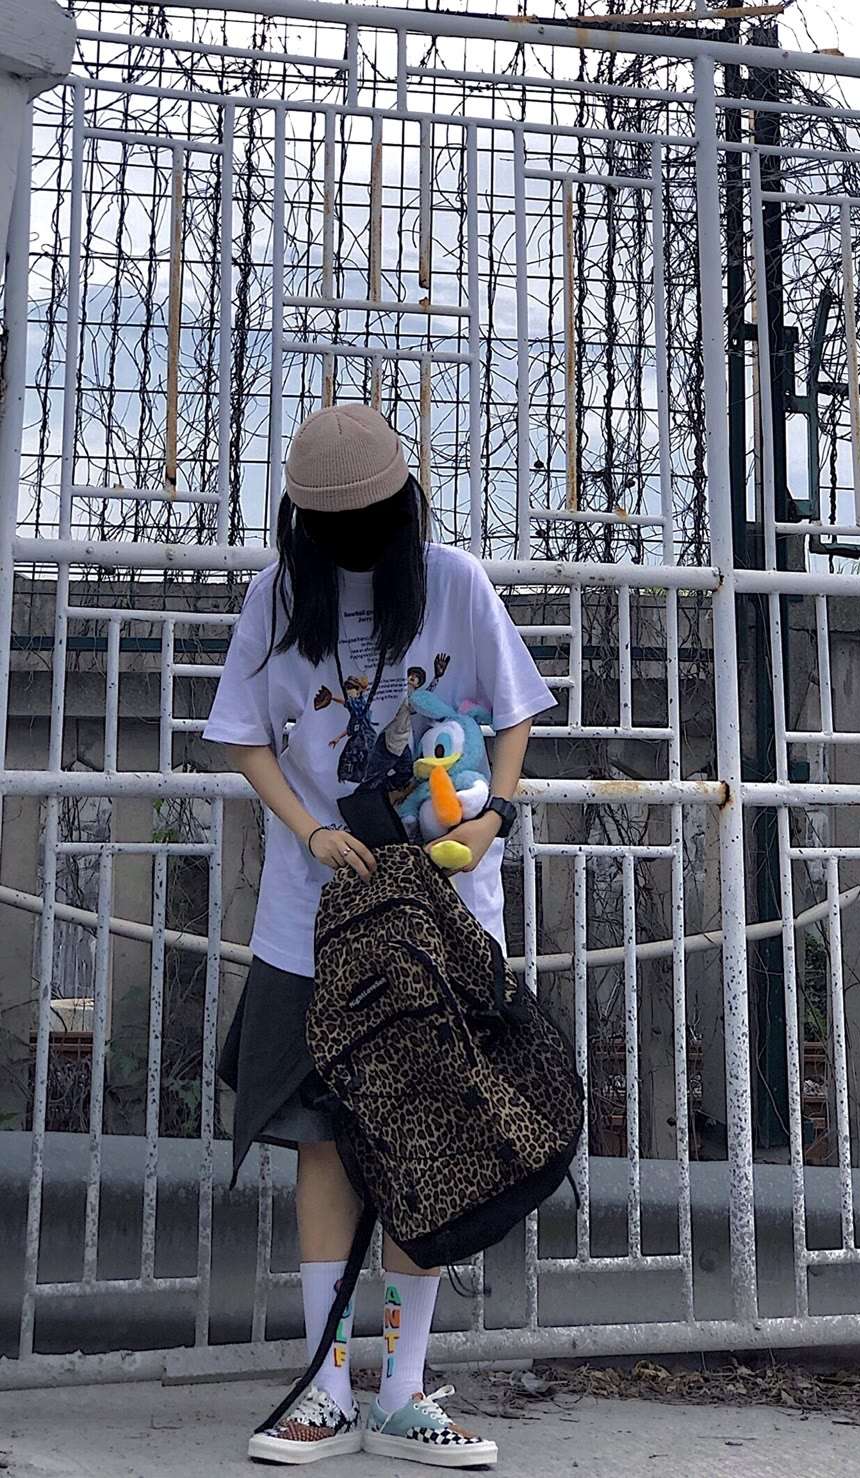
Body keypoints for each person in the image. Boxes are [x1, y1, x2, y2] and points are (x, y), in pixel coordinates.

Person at [204, 402, 555, 1468]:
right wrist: (309, 828)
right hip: (315, 920)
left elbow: (515, 709)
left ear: (405, 511)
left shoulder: (455, 582)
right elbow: (243, 735)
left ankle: (401, 1391)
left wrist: (495, 813)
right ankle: (325, 1387)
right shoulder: (279, 596)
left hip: (441, 919)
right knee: (322, 1138)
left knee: (430, 1138)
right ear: (305, 527)